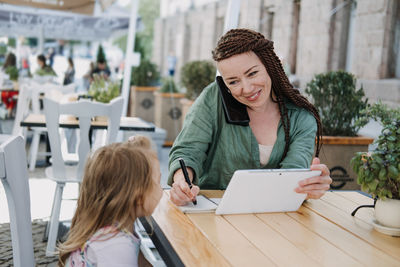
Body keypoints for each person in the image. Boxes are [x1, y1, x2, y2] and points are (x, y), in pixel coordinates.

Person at [168, 28, 332, 206]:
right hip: (212, 214)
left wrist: (308, 187)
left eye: (252, 73)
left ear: (270, 66)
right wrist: (181, 182)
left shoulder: (301, 118)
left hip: (276, 215)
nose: (246, 88)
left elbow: (293, 174)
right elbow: (188, 151)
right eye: (233, 81)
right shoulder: (213, 99)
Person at [58, 136, 162, 267]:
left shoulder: (119, 227)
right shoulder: (116, 246)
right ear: (138, 195)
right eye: (158, 182)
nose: (162, 189)